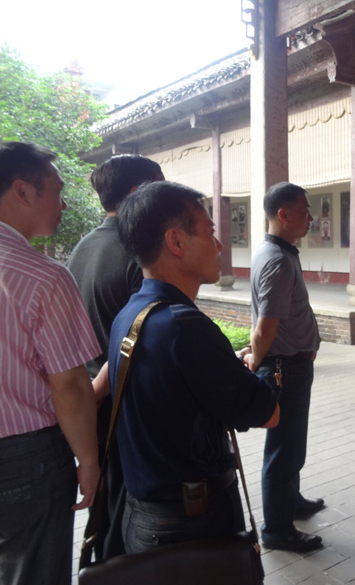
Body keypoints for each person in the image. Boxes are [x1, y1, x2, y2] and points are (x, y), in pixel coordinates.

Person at [108, 180, 280, 553]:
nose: (219, 246)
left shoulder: (129, 314)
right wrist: (261, 373)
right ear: (176, 242)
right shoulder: (185, 327)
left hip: (145, 518)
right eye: (209, 232)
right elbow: (269, 414)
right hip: (191, 526)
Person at [0, 141, 100, 585]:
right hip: (23, 461)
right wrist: (87, 460)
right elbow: (68, 385)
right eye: (57, 191)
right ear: (23, 191)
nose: (64, 204)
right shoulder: (42, 276)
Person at [66, 154, 164, 559]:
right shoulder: (138, 254)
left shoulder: (82, 248)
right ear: (139, 192)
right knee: (130, 517)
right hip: (123, 404)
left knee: (107, 512)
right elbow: (134, 342)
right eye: (160, 186)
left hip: (94, 402)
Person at [243, 181, 324, 551]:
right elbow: (266, 326)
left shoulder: (278, 252)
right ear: (283, 215)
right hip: (284, 369)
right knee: (283, 450)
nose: (310, 218)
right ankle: (277, 529)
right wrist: (254, 358)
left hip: (291, 366)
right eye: (304, 211)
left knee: (292, 444)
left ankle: (291, 500)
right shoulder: (277, 260)